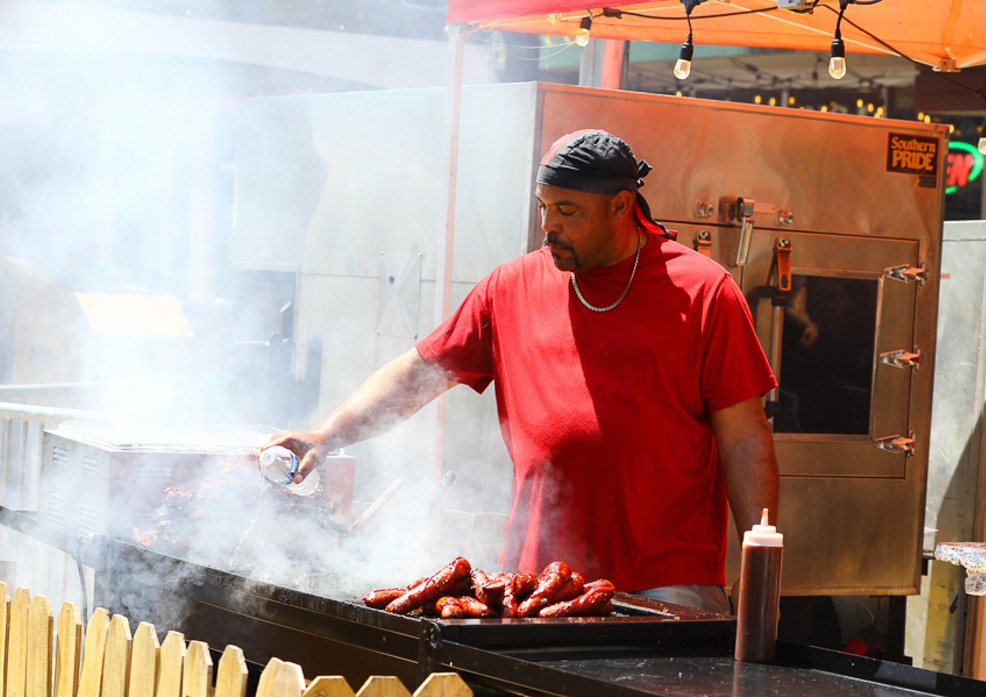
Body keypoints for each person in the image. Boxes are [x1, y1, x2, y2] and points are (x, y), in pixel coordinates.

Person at [265, 129, 779, 613]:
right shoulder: (510, 287)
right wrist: (326, 434)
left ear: (622, 206)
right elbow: (418, 373)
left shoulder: (705, 292)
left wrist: (762, 573)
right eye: (544, 208)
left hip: (666, 582)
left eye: (567, 210)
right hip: (538, 582)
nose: (548, 225)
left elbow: (745, 441)